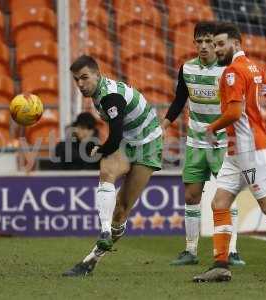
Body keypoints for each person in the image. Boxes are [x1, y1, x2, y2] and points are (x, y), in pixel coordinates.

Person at [193, 22, 266, 282]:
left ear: (236, 44)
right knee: (219, 203)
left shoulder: (233, 72)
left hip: (247, 150)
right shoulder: (255, 68)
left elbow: (235, 112)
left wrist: (212, 128)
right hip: (238, 150)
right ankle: (221, 265)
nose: (216, 49)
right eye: (214, 45)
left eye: (220, 44)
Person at [62, 55, 163, 276]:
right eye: (76, 79)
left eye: (84, 78)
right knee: (107, 171)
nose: (80, 84)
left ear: (98, 75)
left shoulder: (110, 97)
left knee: (122, 211)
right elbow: (119, 135)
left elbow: (115, 137)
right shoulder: (99, 93)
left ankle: (91, 259)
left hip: (149, 144)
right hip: (129, 140)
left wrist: (101, 148)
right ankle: (105, 231)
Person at [162, 21, 245, 266]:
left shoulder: (228, 70)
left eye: (209, 41)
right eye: (199, 41)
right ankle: (190, 250)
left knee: (226, 197)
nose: (204, 46)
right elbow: (179, 99)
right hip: (196, 142)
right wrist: (164, 124)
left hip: (223, 142)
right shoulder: (187, 69)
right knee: (191, 195)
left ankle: (232, 250)